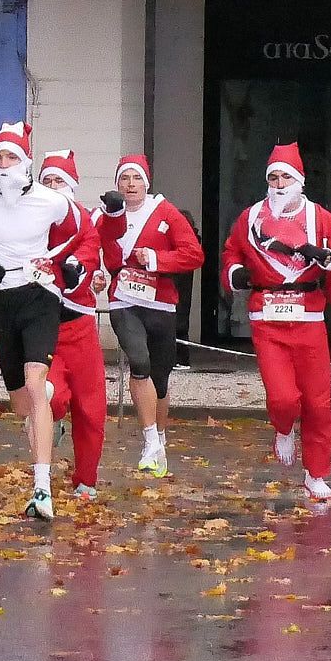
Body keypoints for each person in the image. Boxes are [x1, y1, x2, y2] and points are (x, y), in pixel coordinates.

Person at [0, 122, 85, 522]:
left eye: (12, 157)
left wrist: (64, 264)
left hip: (40, 294)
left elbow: (81, 232)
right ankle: (38, 405)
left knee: (34, 384)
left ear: (26, 162)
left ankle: (41, 488)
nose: (5, 165)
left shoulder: (51, 201)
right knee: (20, 403)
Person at [220, 144, 331, 502]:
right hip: (267, 317)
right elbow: (231, 252)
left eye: (286, 177)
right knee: (282, 397)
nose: (279, 184)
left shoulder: (321, 218)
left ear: (299, 181)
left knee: (318, 403)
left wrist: (327, 259)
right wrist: (236, 274)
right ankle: (283, 428)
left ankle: (316, 473)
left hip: (309, 317)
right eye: (273, 177)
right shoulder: (250, 219)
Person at [96, 154, 203, 478]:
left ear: (147, 182)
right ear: (117, 185)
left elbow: (193, 254)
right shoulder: (105, 217)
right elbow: (91, 250)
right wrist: (97, 276)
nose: (130, 184)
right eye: (124, 179)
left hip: (161, 303)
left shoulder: (165, 212)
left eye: (136, 178)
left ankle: (159, 439)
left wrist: (155, 258)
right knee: (139, 363)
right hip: (124, 300)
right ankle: (148, 440)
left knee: (160, 376)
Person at [37, 151, 108, 501]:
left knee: (91, 408)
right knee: (49, 394)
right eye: (47, 181)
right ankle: (44, 468)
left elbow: (94, 250)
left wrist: (85, 271)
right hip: (43, 327)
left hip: (79, 326)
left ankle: (86, 480)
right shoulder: (29, 222)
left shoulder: (85, 222)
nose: (52, 188)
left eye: (59, 181)